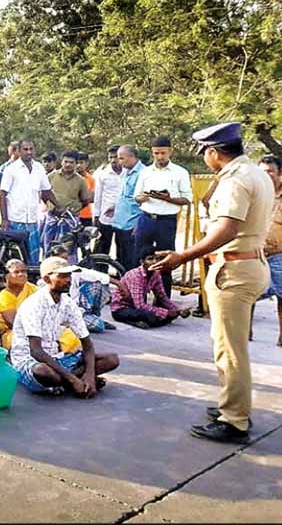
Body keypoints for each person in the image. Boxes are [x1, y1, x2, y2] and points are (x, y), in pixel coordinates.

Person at [152, 122, 274, 443]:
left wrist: (183, 256)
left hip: (234, 270)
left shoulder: (236, 180)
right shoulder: (254, 173)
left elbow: (227, 229)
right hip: (249, 264)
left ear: (213, 152)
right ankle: (230, 404)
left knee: (229, 351)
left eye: (205, 153)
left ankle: (235, 419)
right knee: (231, 346)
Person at [10, 257, 120, 396]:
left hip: (56, 357)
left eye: (69, 275)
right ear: (47, 279)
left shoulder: (68, 303)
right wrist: (74, 379)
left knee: (112, 359)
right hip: (31, 361)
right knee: (43, 372)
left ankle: (68, 383)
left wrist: (90, 375)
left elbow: (87, 343)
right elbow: (36, 351)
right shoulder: (33, 305)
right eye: (62, 276)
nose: (68, 280)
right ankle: (71, 382)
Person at [133, 136, 193, 296]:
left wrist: (169, 198)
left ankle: (164, 300)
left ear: (170, 152)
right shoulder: (145, 172)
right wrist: (142, 197)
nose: (160, 157)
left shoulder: (180, 172)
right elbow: (136, 196)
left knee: (165, 260)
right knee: (139, 258)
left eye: (163, 153)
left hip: (166, 221)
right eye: (156, 153)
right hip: (146, 218)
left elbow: (187, 199)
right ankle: (138, 296)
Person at [0, 139, 59, 265]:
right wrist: (4, 219)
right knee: (16, 259)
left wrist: (59, 207)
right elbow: (2, 194)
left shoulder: (39, 168)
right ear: (19, 151)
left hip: (32, 221)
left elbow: (46, 191)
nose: (29, 152)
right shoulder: (11, 169)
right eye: (25, 149)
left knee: (33, 258)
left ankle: (32, 283)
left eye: (31, 149)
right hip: (15, 221)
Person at [110, 249, 190, 329]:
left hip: (135, 307)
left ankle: (144, 321)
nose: (155, 262)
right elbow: (140, 306)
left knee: (162, 315)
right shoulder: (135, 276)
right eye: (150, 259)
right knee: (152, 316)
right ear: (142, 262)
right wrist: (166, 313)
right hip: (121, 308)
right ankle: (133, 321)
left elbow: (162, 297)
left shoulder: (156, 274)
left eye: (157, 259)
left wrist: (178, 310)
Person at [49, 244, 118, 333]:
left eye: (66, 259)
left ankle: (92, 316)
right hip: (65, 314)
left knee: (98, 286)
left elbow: (96, 275)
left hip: (77, 307)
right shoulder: (49, 277)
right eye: (61, 259)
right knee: (99, 326)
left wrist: (119, 283)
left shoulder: (73, 270)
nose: (64, 262)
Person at [255, 154, 282, 346]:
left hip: (280, 255)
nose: (266, 176)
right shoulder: (255, 194)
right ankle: (245, 332)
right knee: (249, 295)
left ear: (280, 174)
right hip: (255, 253)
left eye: (270, 172)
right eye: (262, 172)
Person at [44, 150, 90, 258]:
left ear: (76, 163)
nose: (68, 164)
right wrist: (52, 207)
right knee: (49, 247)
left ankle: (69, 272)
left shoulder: (81, 181)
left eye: (71, 162)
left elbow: (85, 200)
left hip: (70, 220)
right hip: (52, 218)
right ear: (61, 162)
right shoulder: (51, 177)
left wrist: (73, 210)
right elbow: (44, 194)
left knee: (69, 250)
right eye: (66, 162)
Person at [111, 145, 146, 270]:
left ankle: (132, 287)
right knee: (121, 259)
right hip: (120, 222)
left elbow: (145, 202)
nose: (119, 162)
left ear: (132, 157)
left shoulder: (143, 173)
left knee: (132, 260)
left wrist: (139, 224)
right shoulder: (125, 173)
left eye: (121, 158)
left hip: (133, 223)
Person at [0, 259, 38, 349]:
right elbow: (13, 323)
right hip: (14, 332)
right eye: (16, 272)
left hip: (38, 327)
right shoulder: (4, 296)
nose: (21, 274)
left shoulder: (33, 289)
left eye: (23, 271)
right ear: (7, 276)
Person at [93, 144, 124, 255]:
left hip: (124, 218)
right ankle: (100, 270)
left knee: (122, 247)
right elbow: (98, 196)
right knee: (102, 246)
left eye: (116, 157)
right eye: (110, 157)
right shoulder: (103, 174)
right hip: (105, 217)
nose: (113, 160)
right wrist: (96, 215)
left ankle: (121, 271)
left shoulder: (129, 173)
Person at [76, 153, 96, 227]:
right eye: (77, 162)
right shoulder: (69, 179)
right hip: (72, 215)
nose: (78, 165)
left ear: (87, 164)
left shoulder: (91, 179)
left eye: (81, 163)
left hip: (86, 215)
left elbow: (92, 198)